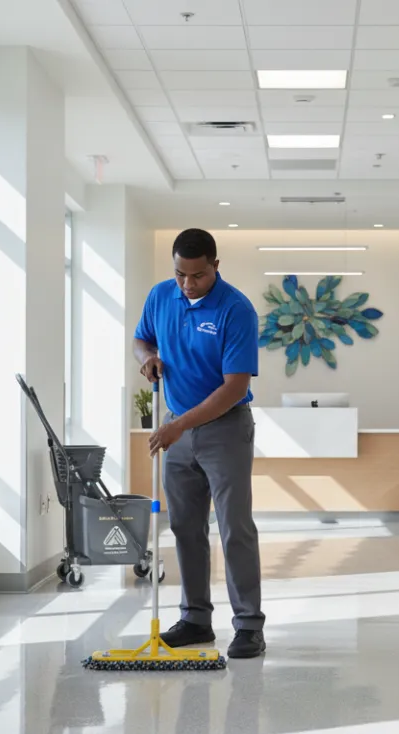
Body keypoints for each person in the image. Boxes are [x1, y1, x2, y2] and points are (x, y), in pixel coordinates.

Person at [132, 228, 266, 659]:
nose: (188, 284)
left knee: (234, 528)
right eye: (180, 275)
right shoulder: (159, 296)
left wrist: (179, 426)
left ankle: (248, 626)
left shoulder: (236, 309)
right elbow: (141, 339)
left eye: (198, 276)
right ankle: (195, 620)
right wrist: (147, 358)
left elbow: (233, 387)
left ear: (216, 267)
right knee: (186, 528)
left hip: (224, 429)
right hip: (177, 428)